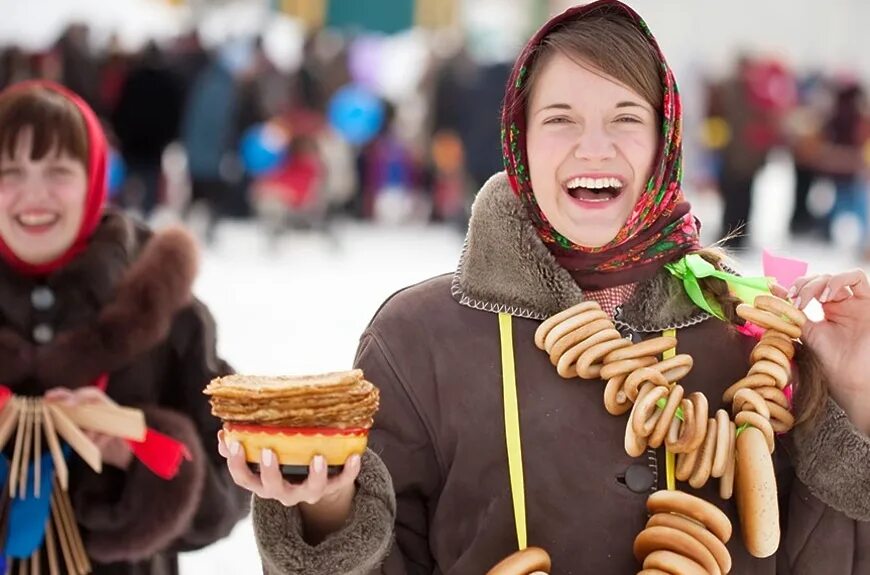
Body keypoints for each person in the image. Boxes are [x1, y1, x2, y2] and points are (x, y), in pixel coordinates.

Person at [222, 2, 870, 573]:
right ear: (519, 140)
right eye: (560, 119)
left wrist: (855, 395)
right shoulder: (416, 338)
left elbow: (818, 558)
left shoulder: (750, 333)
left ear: (664, 142)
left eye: (625, 118)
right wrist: (327, 510)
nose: (594, 147)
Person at [0, 80, 249, 573]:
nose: (34, 195)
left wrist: (135, 446)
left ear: (94, 177)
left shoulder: (168, 310)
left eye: (57, 171)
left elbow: (231, 490)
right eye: (10, 171)